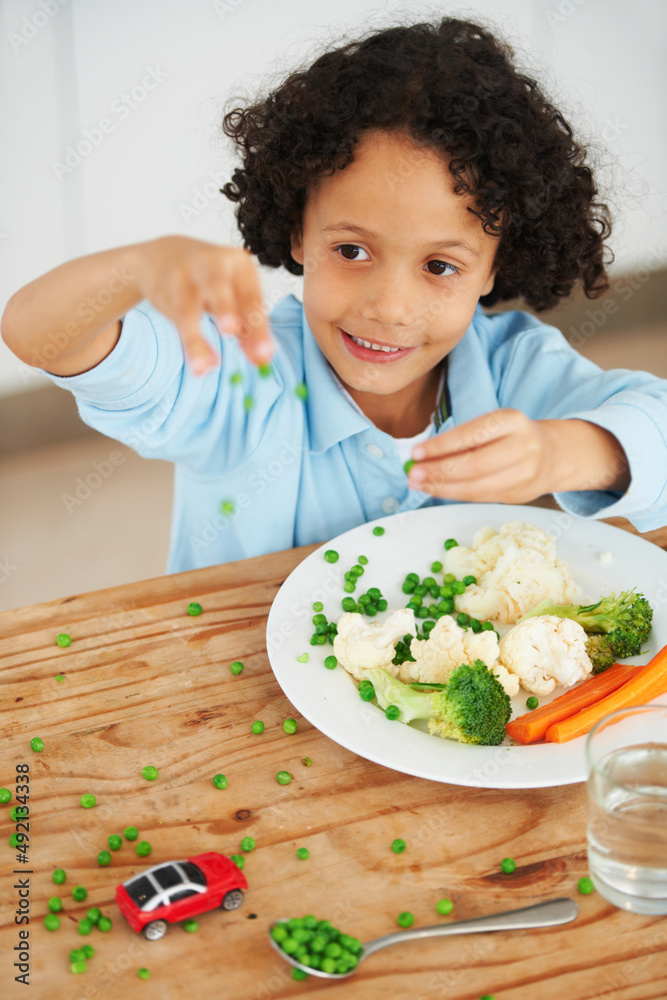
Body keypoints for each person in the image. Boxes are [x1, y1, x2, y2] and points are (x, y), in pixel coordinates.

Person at [3, 17, 666, 575]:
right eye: (351, 251)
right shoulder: (240, 370)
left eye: (439, 265)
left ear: (496, 266)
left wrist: (558, 453)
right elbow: (39, 335)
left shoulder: (511, 366)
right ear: (297, 231)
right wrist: (139, 266)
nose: (389, 307)